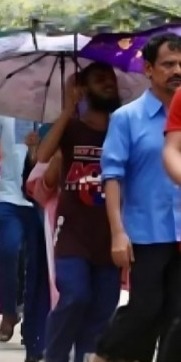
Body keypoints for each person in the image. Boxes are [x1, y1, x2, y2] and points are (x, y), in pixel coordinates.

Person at [93, 33, 181, 362]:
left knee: (175, 317)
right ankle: (102, 355)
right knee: (145, 309)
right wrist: (118, 232)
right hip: (145, 232)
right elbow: (112, 176)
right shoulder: (127, 118)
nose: (177, 70)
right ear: (148, 69)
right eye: (168, 64)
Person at [36, 63, 122, 362]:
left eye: (111, 79)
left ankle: (85, 357)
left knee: (103, 308)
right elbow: (42, 155)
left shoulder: (123, 128)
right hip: (71, 231)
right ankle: (54, 355)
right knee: (74, 295)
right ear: (84, 88)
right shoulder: (72, 128)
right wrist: (68, 108)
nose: (108, 83)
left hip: (110, 234)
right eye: (99, 79)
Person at [0, 111, 50, 361]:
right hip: (9, 196)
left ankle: (33, 330)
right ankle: (9, 310)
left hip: (41, 198)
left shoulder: (53, 105)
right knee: (9, 251)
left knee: (37, 268)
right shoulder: (1, 105)